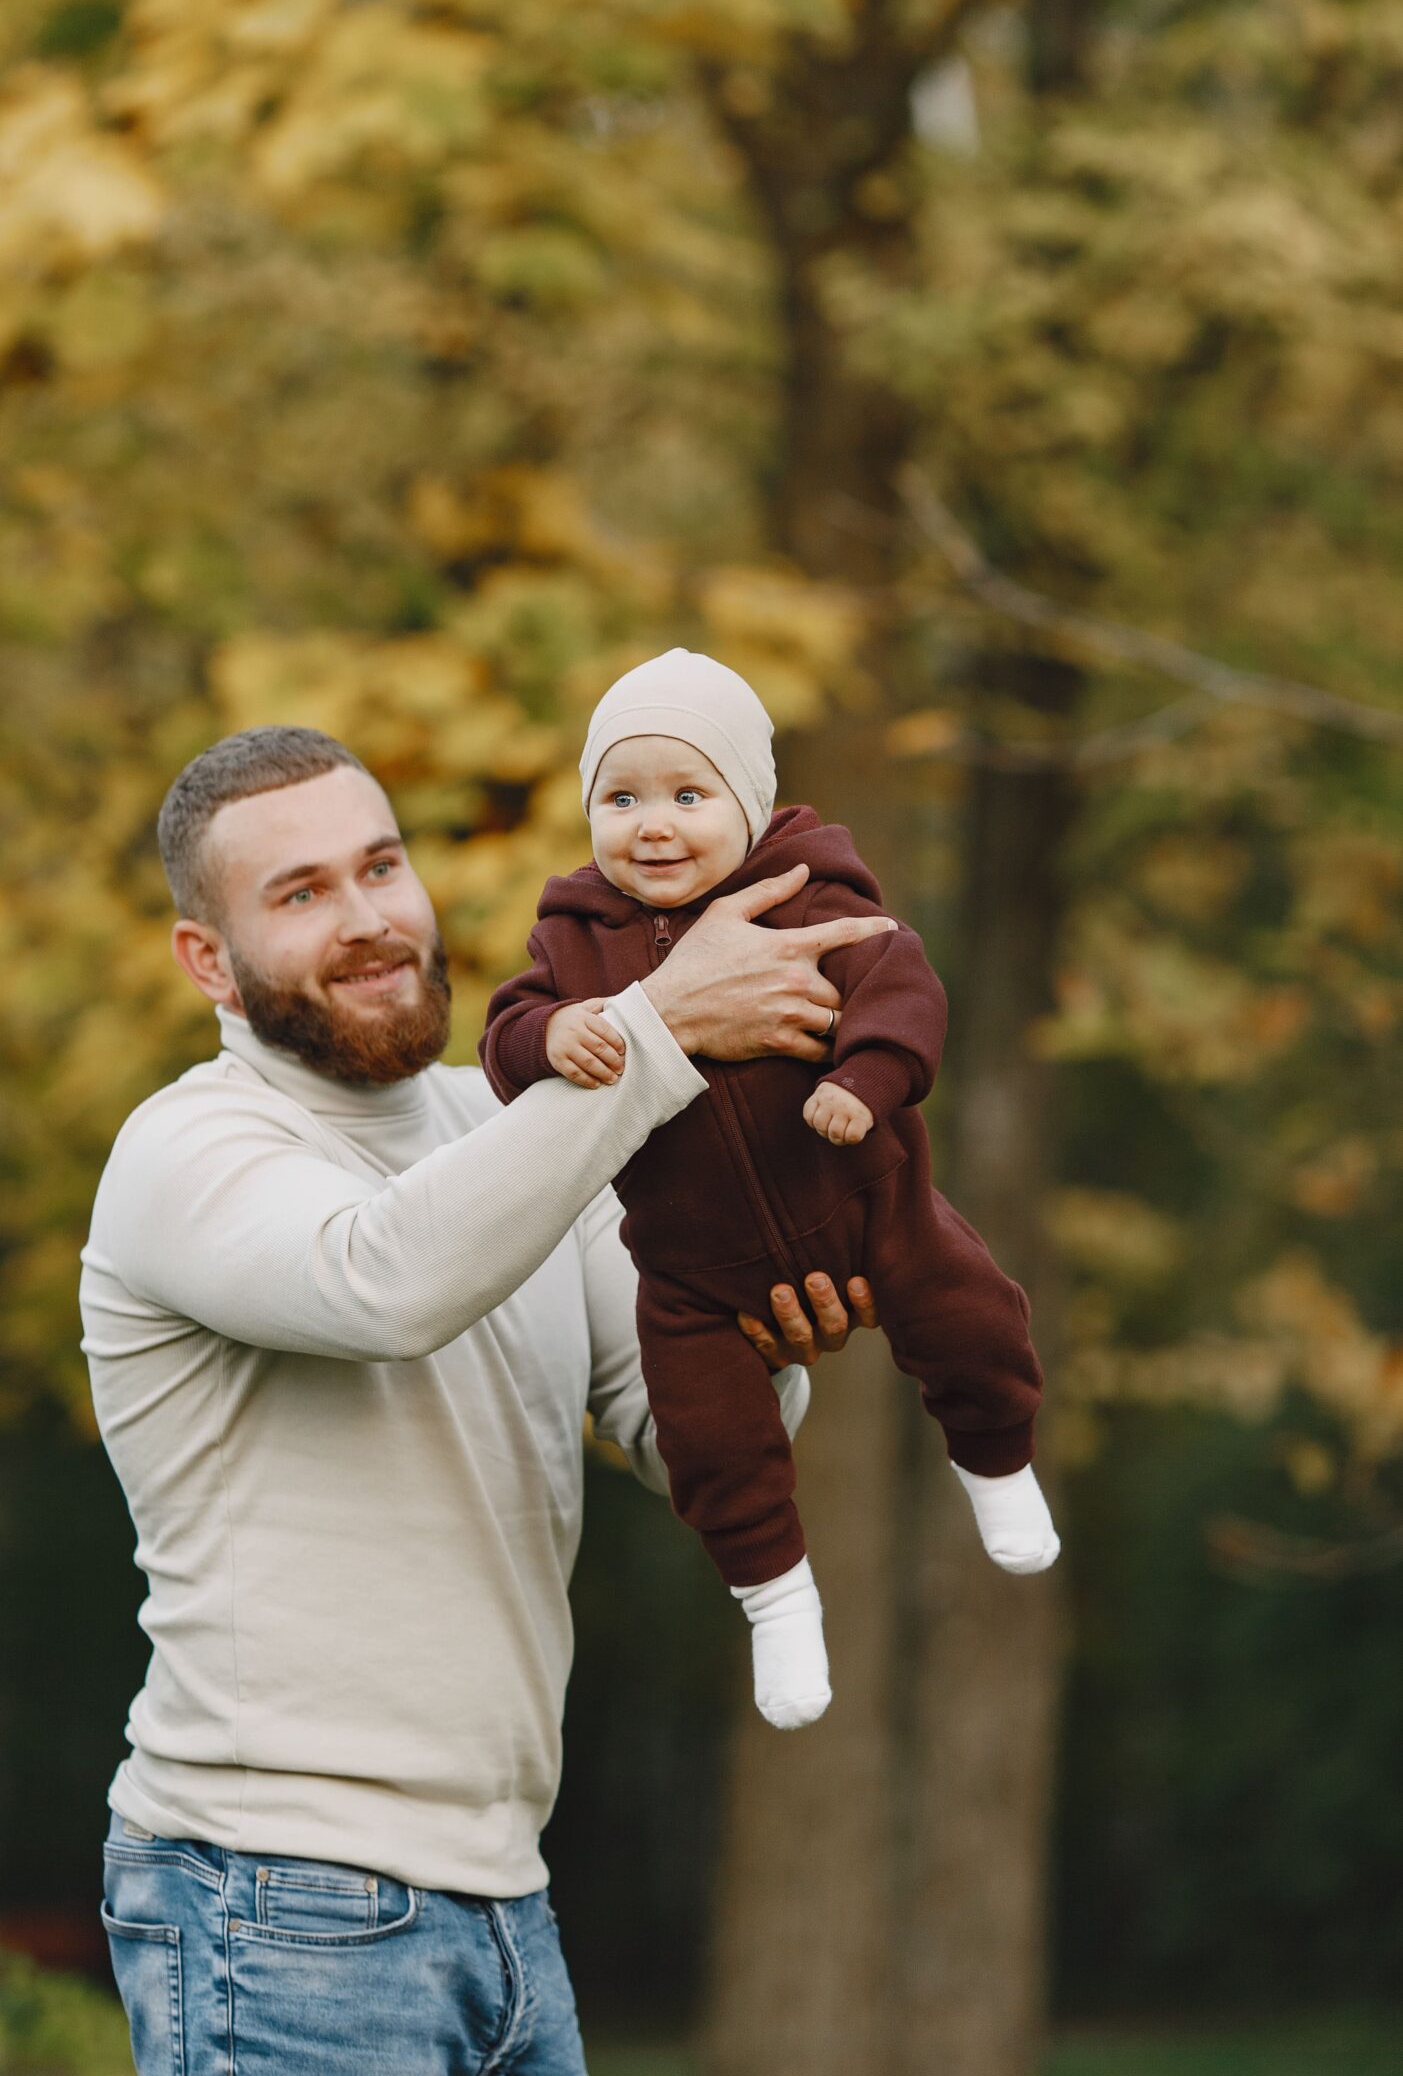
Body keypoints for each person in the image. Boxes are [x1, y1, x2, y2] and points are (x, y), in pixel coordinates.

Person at [81, 723, 894, 2076]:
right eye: (299, 894)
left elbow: (671, 1432)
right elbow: (383, 1283)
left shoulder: (506, 1130)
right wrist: (655, 1036)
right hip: (274, 1902)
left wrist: (770, 1312)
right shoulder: (188, 1149)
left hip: (503, 1899)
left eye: (380, 867)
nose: (367, 921)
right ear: (205, 962)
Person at [481, 650, 1060, 1736]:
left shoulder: (808, 894)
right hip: (692, 1264)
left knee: (969, 1312)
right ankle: (775, 1593)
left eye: (688, 795)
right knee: (708, 1431)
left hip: (861, 1198)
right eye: (622, 797)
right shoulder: (573, 936)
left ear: (747, 804)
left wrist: (867, 1079)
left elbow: (901, 986)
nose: (652, 825)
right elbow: (505, 1041)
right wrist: (551, 1031)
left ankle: (996, 1459)